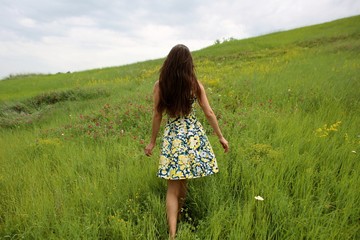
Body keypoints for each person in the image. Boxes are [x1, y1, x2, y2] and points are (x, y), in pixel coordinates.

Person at [144, 44, 229, 239]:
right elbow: (209, 112)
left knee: (174, 185)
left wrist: (152, 142)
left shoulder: (160, 85)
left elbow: (157, 115)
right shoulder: (195, 85)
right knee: (184, 178)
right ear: (188, 63)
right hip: (192, 135)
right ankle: (177, 222)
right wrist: (221, 137)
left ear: (169, 63)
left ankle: (173, 233)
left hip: (173, 135)